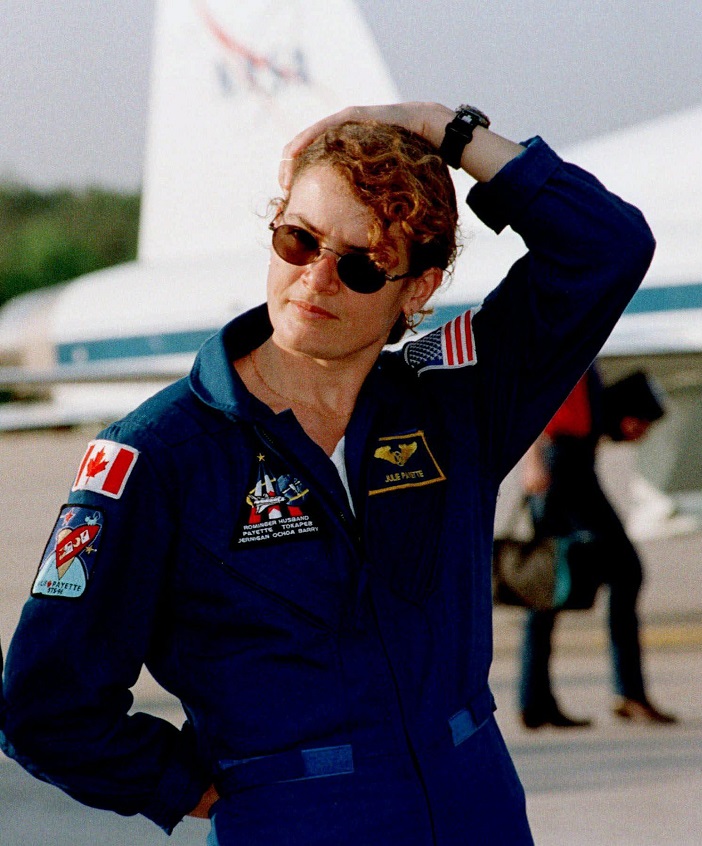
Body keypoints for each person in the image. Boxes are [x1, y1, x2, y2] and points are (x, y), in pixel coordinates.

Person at [0, 102, 655, 845]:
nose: (316, 278)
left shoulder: (457, 407)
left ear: (418, 289)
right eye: (297, 239)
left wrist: (448, 129)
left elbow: (606, 246)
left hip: (477, 808)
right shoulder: (161, 456)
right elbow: (46, 707)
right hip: (297, 818)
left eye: (360, 263)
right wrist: (198, 787)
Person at [517, 365, 678, 729]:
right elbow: (527, 397)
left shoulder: (579, 337)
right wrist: (533, 460)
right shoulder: (553, 332)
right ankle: (628, 693)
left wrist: (617, 421)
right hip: (560, 465)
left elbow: (580, 408)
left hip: (577, 460)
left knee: (551, 585)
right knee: (620, 572)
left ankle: (536, 701)